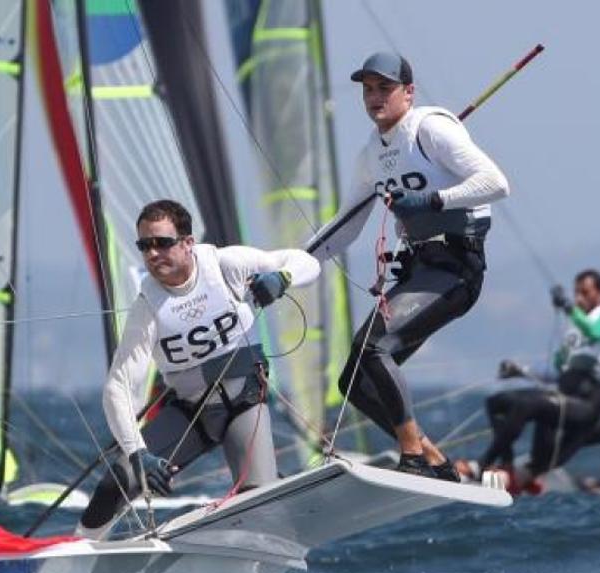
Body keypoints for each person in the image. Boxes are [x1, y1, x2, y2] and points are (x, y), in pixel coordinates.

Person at [308, 52, 510, 480]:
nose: (375, 97)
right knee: (354, 382)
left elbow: (495, 183)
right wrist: (290, 267)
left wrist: (434, 199)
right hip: (419, 268)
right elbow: (345, 227)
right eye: (367, 89)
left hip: (457, 267)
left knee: (373, 347)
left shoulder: (430, 129)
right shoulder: (371, 156)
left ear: (408, 93)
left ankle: (412, 457)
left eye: (385, 88)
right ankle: (433, 458)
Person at [76, 199, 320, 539]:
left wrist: (282, 278)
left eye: (162, 242)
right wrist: (137, 454)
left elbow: (307, 261)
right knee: (116, 482)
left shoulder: (226, 265)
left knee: (256, 500)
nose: (152, 253)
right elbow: (118, 386)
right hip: (192, 413)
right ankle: (75, 554)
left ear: (188, 242)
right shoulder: (148, 307)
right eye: (144, 245)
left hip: (244, 406)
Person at [456, 269, 600, 492]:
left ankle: (481, 464)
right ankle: (507, 466)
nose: (578, 298)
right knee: (497, 402)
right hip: (565, 397)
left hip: (587, 404)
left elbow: (595, 331)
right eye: (576, 293)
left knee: (528, 404)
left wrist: (567, 307)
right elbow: (556, 370)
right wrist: (520, 371)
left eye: (584, 292)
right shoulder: (575, 332)